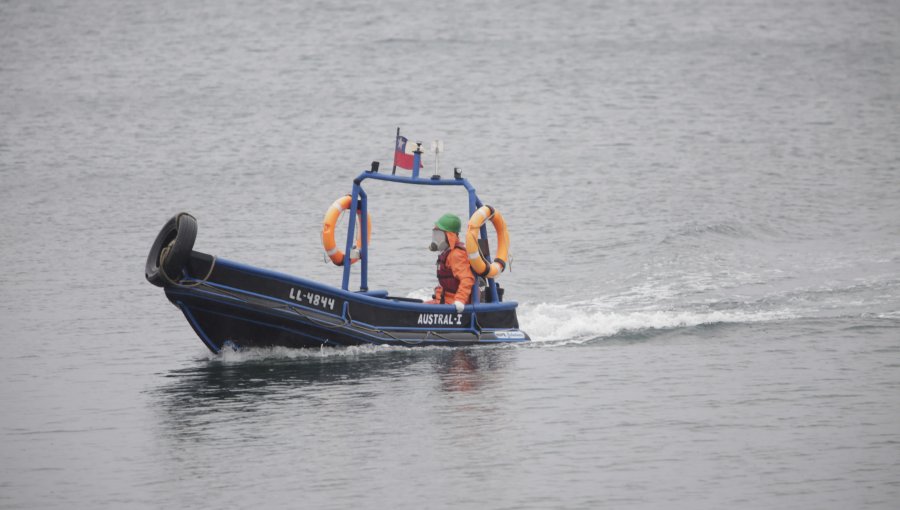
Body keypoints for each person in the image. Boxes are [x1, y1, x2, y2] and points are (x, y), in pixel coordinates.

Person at [426, 213, 474, 312]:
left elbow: (467, 279)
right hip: (442, 301)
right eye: (435, 235)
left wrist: (460, 300)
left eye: (439, 235)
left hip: (452, 304)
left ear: (449, 236)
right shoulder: (447, 252)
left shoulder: (456, 255)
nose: (436, 239)